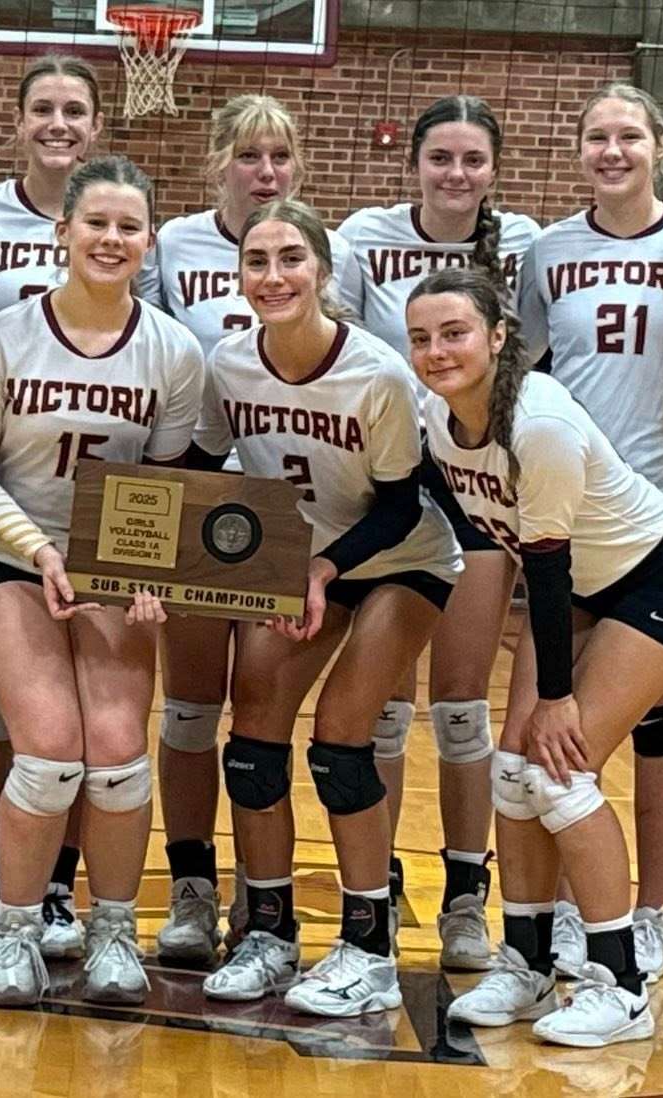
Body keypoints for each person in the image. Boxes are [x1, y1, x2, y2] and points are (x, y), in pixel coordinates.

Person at [415, 267, 663, 1047]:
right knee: (510, 771)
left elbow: (544, 571)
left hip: (660, 580)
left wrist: (556, 698)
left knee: (561, 769)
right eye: (421, 337)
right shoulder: (438, 414)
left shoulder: (538, 424)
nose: (437, 351)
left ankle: (617, 985)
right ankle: (525, 962)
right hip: (582, 587)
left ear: (497, 336)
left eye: (454, 333)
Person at [190, 199, 459, 1017]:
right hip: (302, 562)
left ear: (323, 273)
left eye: (290, 260)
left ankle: (369, 946)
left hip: (400, 559)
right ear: (238, 276)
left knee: (343, 738)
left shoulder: (376, 371)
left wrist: (321, 568)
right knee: (253, 738)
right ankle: (269, 930)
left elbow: (402, 506)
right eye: (257, 261)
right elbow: (202, 472)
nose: (273, 276)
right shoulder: (227, 363)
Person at [0, 155, 200, 1007]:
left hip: (111, 570)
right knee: (53, 746)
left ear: (150, 241)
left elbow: (167, 483)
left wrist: (147, 572)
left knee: (121, 754)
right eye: (95, 223)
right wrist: (39, 551)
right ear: (63, 233)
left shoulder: (174, 349)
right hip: (5, 560)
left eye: (129, 227)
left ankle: (112, 932)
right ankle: (16, 926)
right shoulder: (2, 337)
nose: (111, 239)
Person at [139, 93, 365, 965]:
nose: (264, 171)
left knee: (262, 717)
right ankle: (192, 887)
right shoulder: (176, 247)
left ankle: (259, 893)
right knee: (192, 712)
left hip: (294, 518)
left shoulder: (323, 249)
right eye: (247, 156)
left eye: (279, 156)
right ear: (217, 163)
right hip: (204, 502)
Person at [338, 92, 542, 970]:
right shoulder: (361, 236)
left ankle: (467, 896)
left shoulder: (526, 244)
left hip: (480, 481)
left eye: (473, 161)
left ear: (494, 170)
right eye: (441, 159)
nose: (456, 175)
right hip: (392, 485)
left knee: (461, 711)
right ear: (413, 162)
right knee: (384, 711)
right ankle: (378, 887)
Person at [513, 82, 663, 976]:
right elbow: (525, 373)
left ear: (659, 143)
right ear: (580, 149)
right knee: (548, 733)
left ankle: (653, 911)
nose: (612, 150)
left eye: (629, 134)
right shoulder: (549, 251)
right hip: (572, 517)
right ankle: (559, 911)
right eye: (596, 136)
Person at [0, 55, 107, 960]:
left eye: (75, 111)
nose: (59, 124)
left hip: (91, 511)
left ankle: (57, 886)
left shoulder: (123, 220)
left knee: (89, 718)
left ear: (96, 127)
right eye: (43, 109)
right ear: (17, 123)